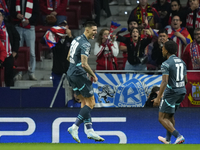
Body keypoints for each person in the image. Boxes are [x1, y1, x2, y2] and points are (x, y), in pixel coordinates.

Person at [66, 21, 104, 143]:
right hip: (79, 74)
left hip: (70, 73)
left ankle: (89, 130)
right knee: (92, 102)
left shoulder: (76, 40)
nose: (95, 32)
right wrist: (93, 75)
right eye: (93, 30)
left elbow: (68, 57)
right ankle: (74, 127)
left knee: (84, 101)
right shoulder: (85, 44)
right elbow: (84, 64)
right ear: (86, 30)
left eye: (96, 30)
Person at [153, 40, 188, 144]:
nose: (162, 50)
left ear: (167, 50)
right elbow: (186, 80)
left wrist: (158, 98)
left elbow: (164, 82)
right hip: (182, 92)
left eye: (163, 48)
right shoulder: (182, 62)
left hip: (172, 92)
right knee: (170, 116)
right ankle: (167, 139)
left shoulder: (166, 64)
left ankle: (179, 136)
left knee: (161, 118)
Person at [10, 0, 39, 80]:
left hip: (30, 27)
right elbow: (11, 11)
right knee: (18, 50)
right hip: (18, 26)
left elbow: (37, 13)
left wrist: (29, 21)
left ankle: (31, 72)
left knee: (32, 52)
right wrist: (16, 15)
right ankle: (19, 72)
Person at [42, 20, 73, 87]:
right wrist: (51, 32)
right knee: (56, 90)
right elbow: (42, 41)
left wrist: (70, 36)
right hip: (57, 68)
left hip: (69, 68)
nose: (63, 28)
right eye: (61, 26)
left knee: (73, 90)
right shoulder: (53, 38)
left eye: (64, 26)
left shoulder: (71, 38)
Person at [0, 10, 20, 87]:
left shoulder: (9, 26)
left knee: (9, 77)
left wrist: (15, 51)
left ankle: (10, 94)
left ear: (2, 17)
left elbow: (17, 38)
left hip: (8, 55)